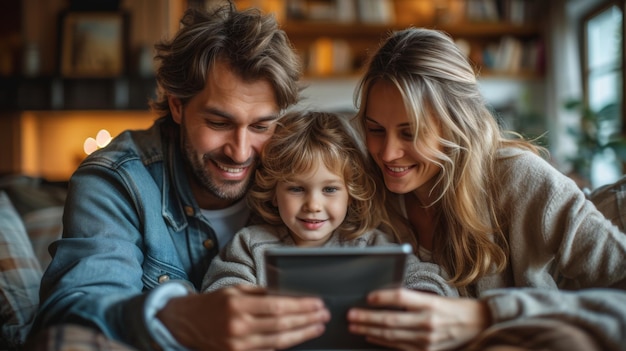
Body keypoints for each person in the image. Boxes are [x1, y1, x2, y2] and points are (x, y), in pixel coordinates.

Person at [30, 4, 332, 351]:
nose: (241, 151)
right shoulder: (116, 181)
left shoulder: (304, 172)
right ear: (177, 105)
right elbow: (71, 314)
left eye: (261, 126)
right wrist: (175, 316)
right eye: (219, 123)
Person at [345, 27, 626, 351]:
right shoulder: (366, 188)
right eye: (376, 130)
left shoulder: (521, 179)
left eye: (410, 133)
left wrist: (487, 315)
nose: (388, 153)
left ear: (457, 124)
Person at [202, 110, 457, 298]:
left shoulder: (369, 245)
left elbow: (423, 275)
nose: (313, 204)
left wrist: (424, 294)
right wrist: (236, 300)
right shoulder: (251, 245)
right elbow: (221, 287)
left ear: (351, 193)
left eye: (330, 189)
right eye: (297, 188)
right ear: (273, 192)